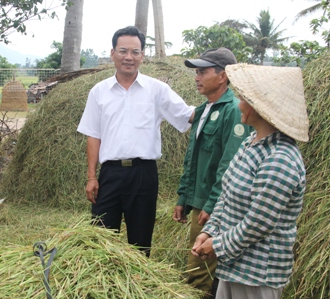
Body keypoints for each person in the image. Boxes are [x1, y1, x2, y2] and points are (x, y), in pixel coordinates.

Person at [192, 64, 309, 299]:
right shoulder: (250, 144)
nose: (240, 104)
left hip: (257, 275)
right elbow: (226, 198)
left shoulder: (280, 158)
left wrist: (218, 245)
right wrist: (209, 231)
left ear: (261, 109)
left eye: (245, 99)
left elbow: (258, 223)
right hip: (233, 267)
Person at [77, 26, 195, 257]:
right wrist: (92, 177)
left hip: (144, 174)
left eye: (135, 52)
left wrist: (218, 105)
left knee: (140, 241)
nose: (128, 57)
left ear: (142, 56)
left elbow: (187, 115)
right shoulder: (99, 92)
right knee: (100, 239)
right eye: (123, 51)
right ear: (112, 54)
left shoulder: (157, 90)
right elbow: (93, 135)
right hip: (110, 174)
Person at [172, 47, 251, 298]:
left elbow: (231, 164)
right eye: (196, 72)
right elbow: (193, 158)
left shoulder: (233, 111)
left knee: (198, 272)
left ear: (222, 76)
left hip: (215, 205)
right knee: (204, 267)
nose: (197, 77)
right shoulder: (206, 109)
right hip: (200, 201)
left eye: (202, 72)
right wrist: (183, 197)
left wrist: (213, 204)